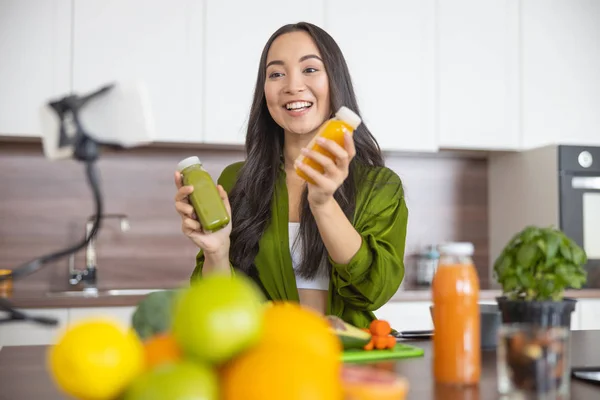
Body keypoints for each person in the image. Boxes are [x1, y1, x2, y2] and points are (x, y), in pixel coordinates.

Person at [174, 22, 408, 329]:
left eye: (310, 69)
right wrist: (217, 251)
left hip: (347, 359)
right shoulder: (236, 181)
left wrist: (323, 204)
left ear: (335, 81)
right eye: (276, 73)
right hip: (265, 356)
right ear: (264, 91)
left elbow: (373, 290)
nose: (292, 86)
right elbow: (217, 304)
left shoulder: (379, 186)